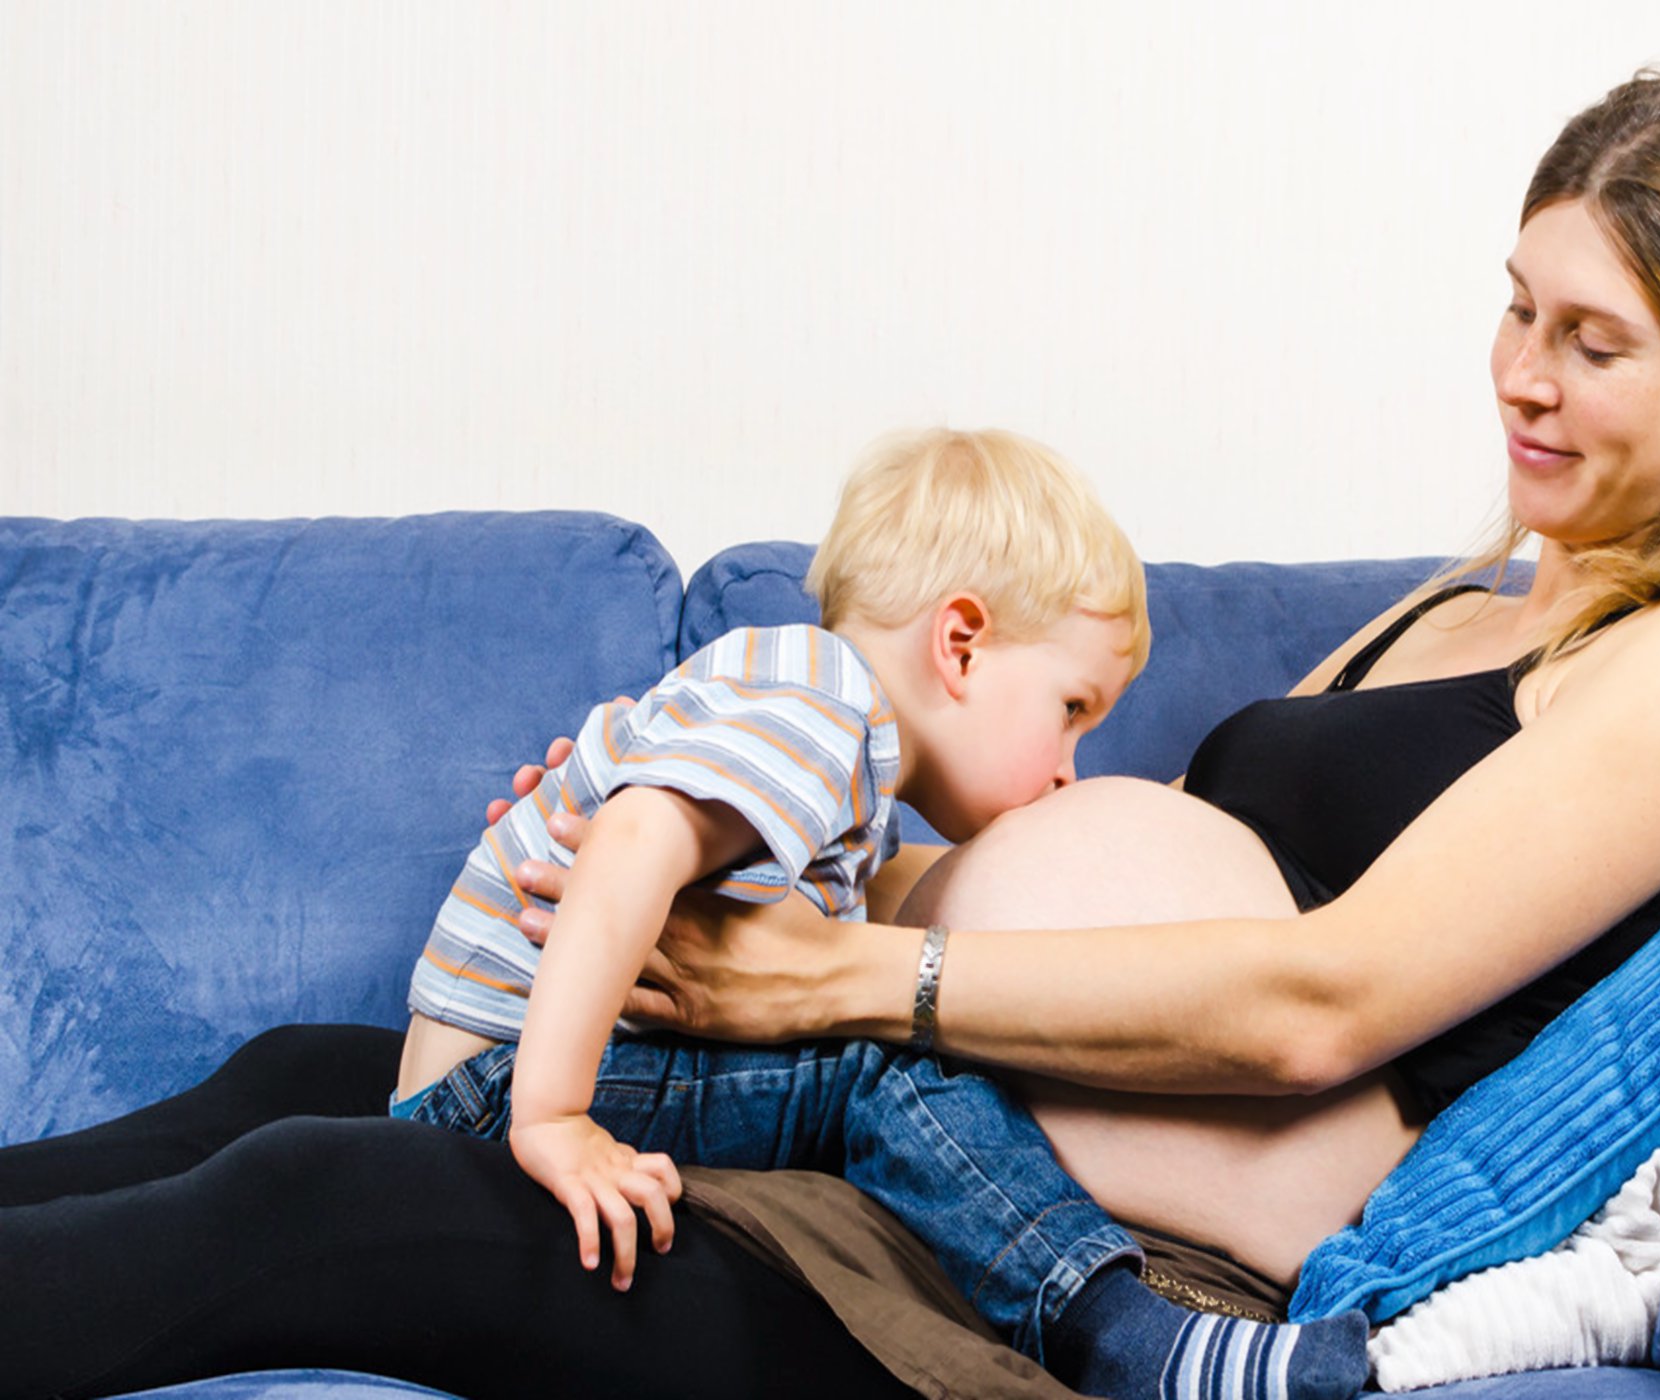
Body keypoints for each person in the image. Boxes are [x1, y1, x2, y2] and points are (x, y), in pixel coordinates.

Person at [0, 65, 1660, 1400]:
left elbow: (1327, 998)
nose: (1522, 376)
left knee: (322, 1193)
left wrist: (838, 986)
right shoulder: (1457, 606)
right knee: (295, 1078)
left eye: (1595, 344)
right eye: (1516, 310)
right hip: (910, 1123)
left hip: (1051, 1262)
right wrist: (657, 831)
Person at [390, 424, 1368, 1398]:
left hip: (487, 1074)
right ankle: (1122, 1332)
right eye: (1070, 707)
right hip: (498, 1089)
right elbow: (634, 837)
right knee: (888, 1059)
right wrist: (552, 1116)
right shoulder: (825, 710)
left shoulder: (798, 709)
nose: (1072, 766)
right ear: (960, 646)